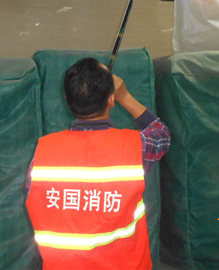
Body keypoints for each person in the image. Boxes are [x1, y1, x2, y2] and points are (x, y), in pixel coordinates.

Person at [25, 58, 170, 270]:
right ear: (111, 99)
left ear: (67, 99)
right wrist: (125, 97)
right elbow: (161, 135)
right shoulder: (135, 147)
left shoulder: (42, 153)